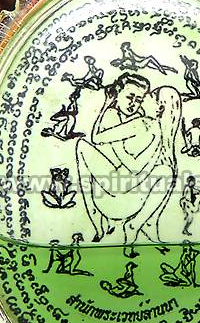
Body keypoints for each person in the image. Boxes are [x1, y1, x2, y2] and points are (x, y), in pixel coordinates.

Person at [75, 72, 181, 244]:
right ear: (118, 94)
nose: (134, 103)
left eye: (139, 99)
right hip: (118, 196)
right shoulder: (144, 125)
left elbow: (131, 164)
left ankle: (101, 223)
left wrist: (119, 148)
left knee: (81, 145)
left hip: (120, 197)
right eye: (130, 97)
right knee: (166, 171)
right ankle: (130, 224)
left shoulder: (140, 122)